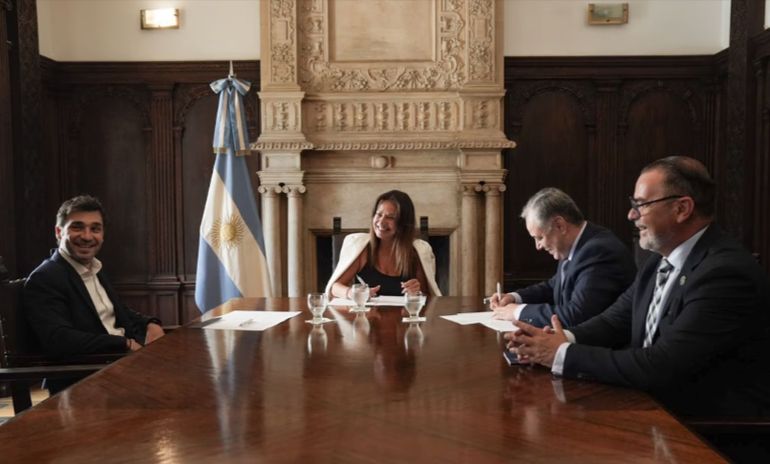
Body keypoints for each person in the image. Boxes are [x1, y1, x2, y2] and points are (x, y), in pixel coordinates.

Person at [508, 156, 770, 421]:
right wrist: (560, 339)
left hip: (703, 427)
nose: (631, 214)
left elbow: (662, 365)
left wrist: (561, 354)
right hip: (650, 405)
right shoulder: (659, 259)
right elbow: (616, 320)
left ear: (682, 208)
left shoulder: (724, 273)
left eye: (641, 204)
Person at [24, 195, 164, 390]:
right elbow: (58, 339)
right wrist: (123, 344)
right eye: (77, 227)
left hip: (121, 366)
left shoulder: (94, 268)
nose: (87, 236)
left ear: (103, 234)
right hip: (86, 380)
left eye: (95, 229)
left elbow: (118, 312)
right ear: (58, 232)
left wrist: (150, 323)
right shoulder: (46, 278)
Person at [488, 188, 635, 327]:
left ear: (560, 225)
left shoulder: (599, 251)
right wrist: (515, 297)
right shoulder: (576, 245)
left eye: (539, 237)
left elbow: (576, 315)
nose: (537, 246)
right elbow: (554, 286)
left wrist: (517, 312)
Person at [325, 190, 441, 298]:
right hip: (370, 317)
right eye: (379, 214)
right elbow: (335, 287)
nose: (381, 222)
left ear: (404, 223)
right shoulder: (362, 248)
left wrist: (417, 292)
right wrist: (352, 293)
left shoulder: (417, 252)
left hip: (405, 317)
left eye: (390, 217)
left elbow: (428, 296)